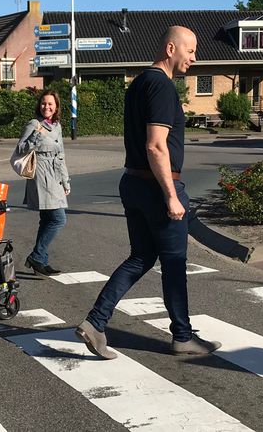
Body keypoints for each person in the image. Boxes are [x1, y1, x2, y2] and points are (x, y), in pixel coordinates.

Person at [76, 26, 221, 357]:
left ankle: (96, 323)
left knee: (141, 256)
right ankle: (183, 336)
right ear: (171, 49)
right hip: (157, 186)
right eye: (191, 50)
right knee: (174, 263)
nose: (194, 58)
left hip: (132, 183)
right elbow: (156, 146)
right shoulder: (161, 86)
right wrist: (170, 194)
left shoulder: (139, 83)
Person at [17, 90, 71, 276]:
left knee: (48, 219)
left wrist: (65, 181)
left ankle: (41, 261)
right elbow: (21, 148)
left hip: (54, 174)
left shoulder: (57, 125)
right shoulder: (34, 124)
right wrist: (36, 135)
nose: (46, 107)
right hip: (41, 173)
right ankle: (37, 256)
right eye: (43, 103)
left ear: (56, 107)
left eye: (50, 104)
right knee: (58, 219)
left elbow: (61, 154)